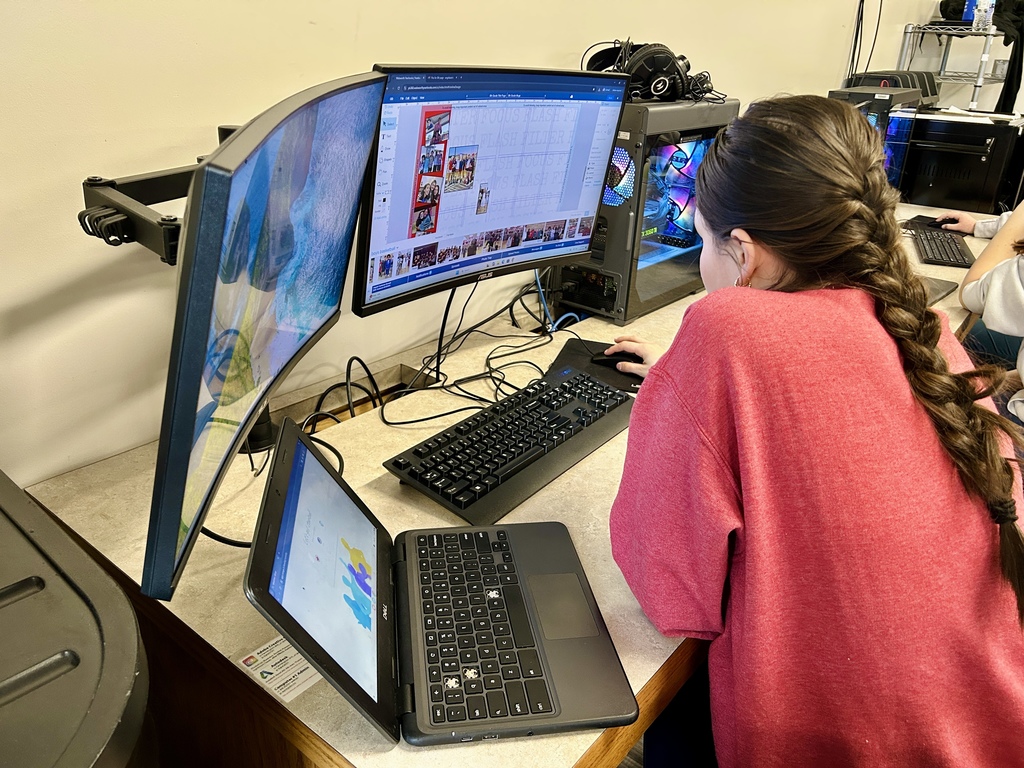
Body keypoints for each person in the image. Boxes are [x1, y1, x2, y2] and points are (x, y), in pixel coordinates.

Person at [605, 95, 1024, 767]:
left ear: (743, 254)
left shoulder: (726, 330)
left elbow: (675, 599)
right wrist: (687, 386)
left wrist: (681, 391)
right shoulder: (927, 328)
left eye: (702, 238)